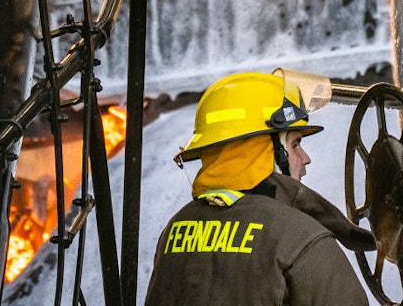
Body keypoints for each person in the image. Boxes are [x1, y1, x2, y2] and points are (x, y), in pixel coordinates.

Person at [145, 70, 375, 305]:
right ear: (261, 151)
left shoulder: (175, 231)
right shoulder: (300, 238)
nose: (305, 158)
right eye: (295, 144)